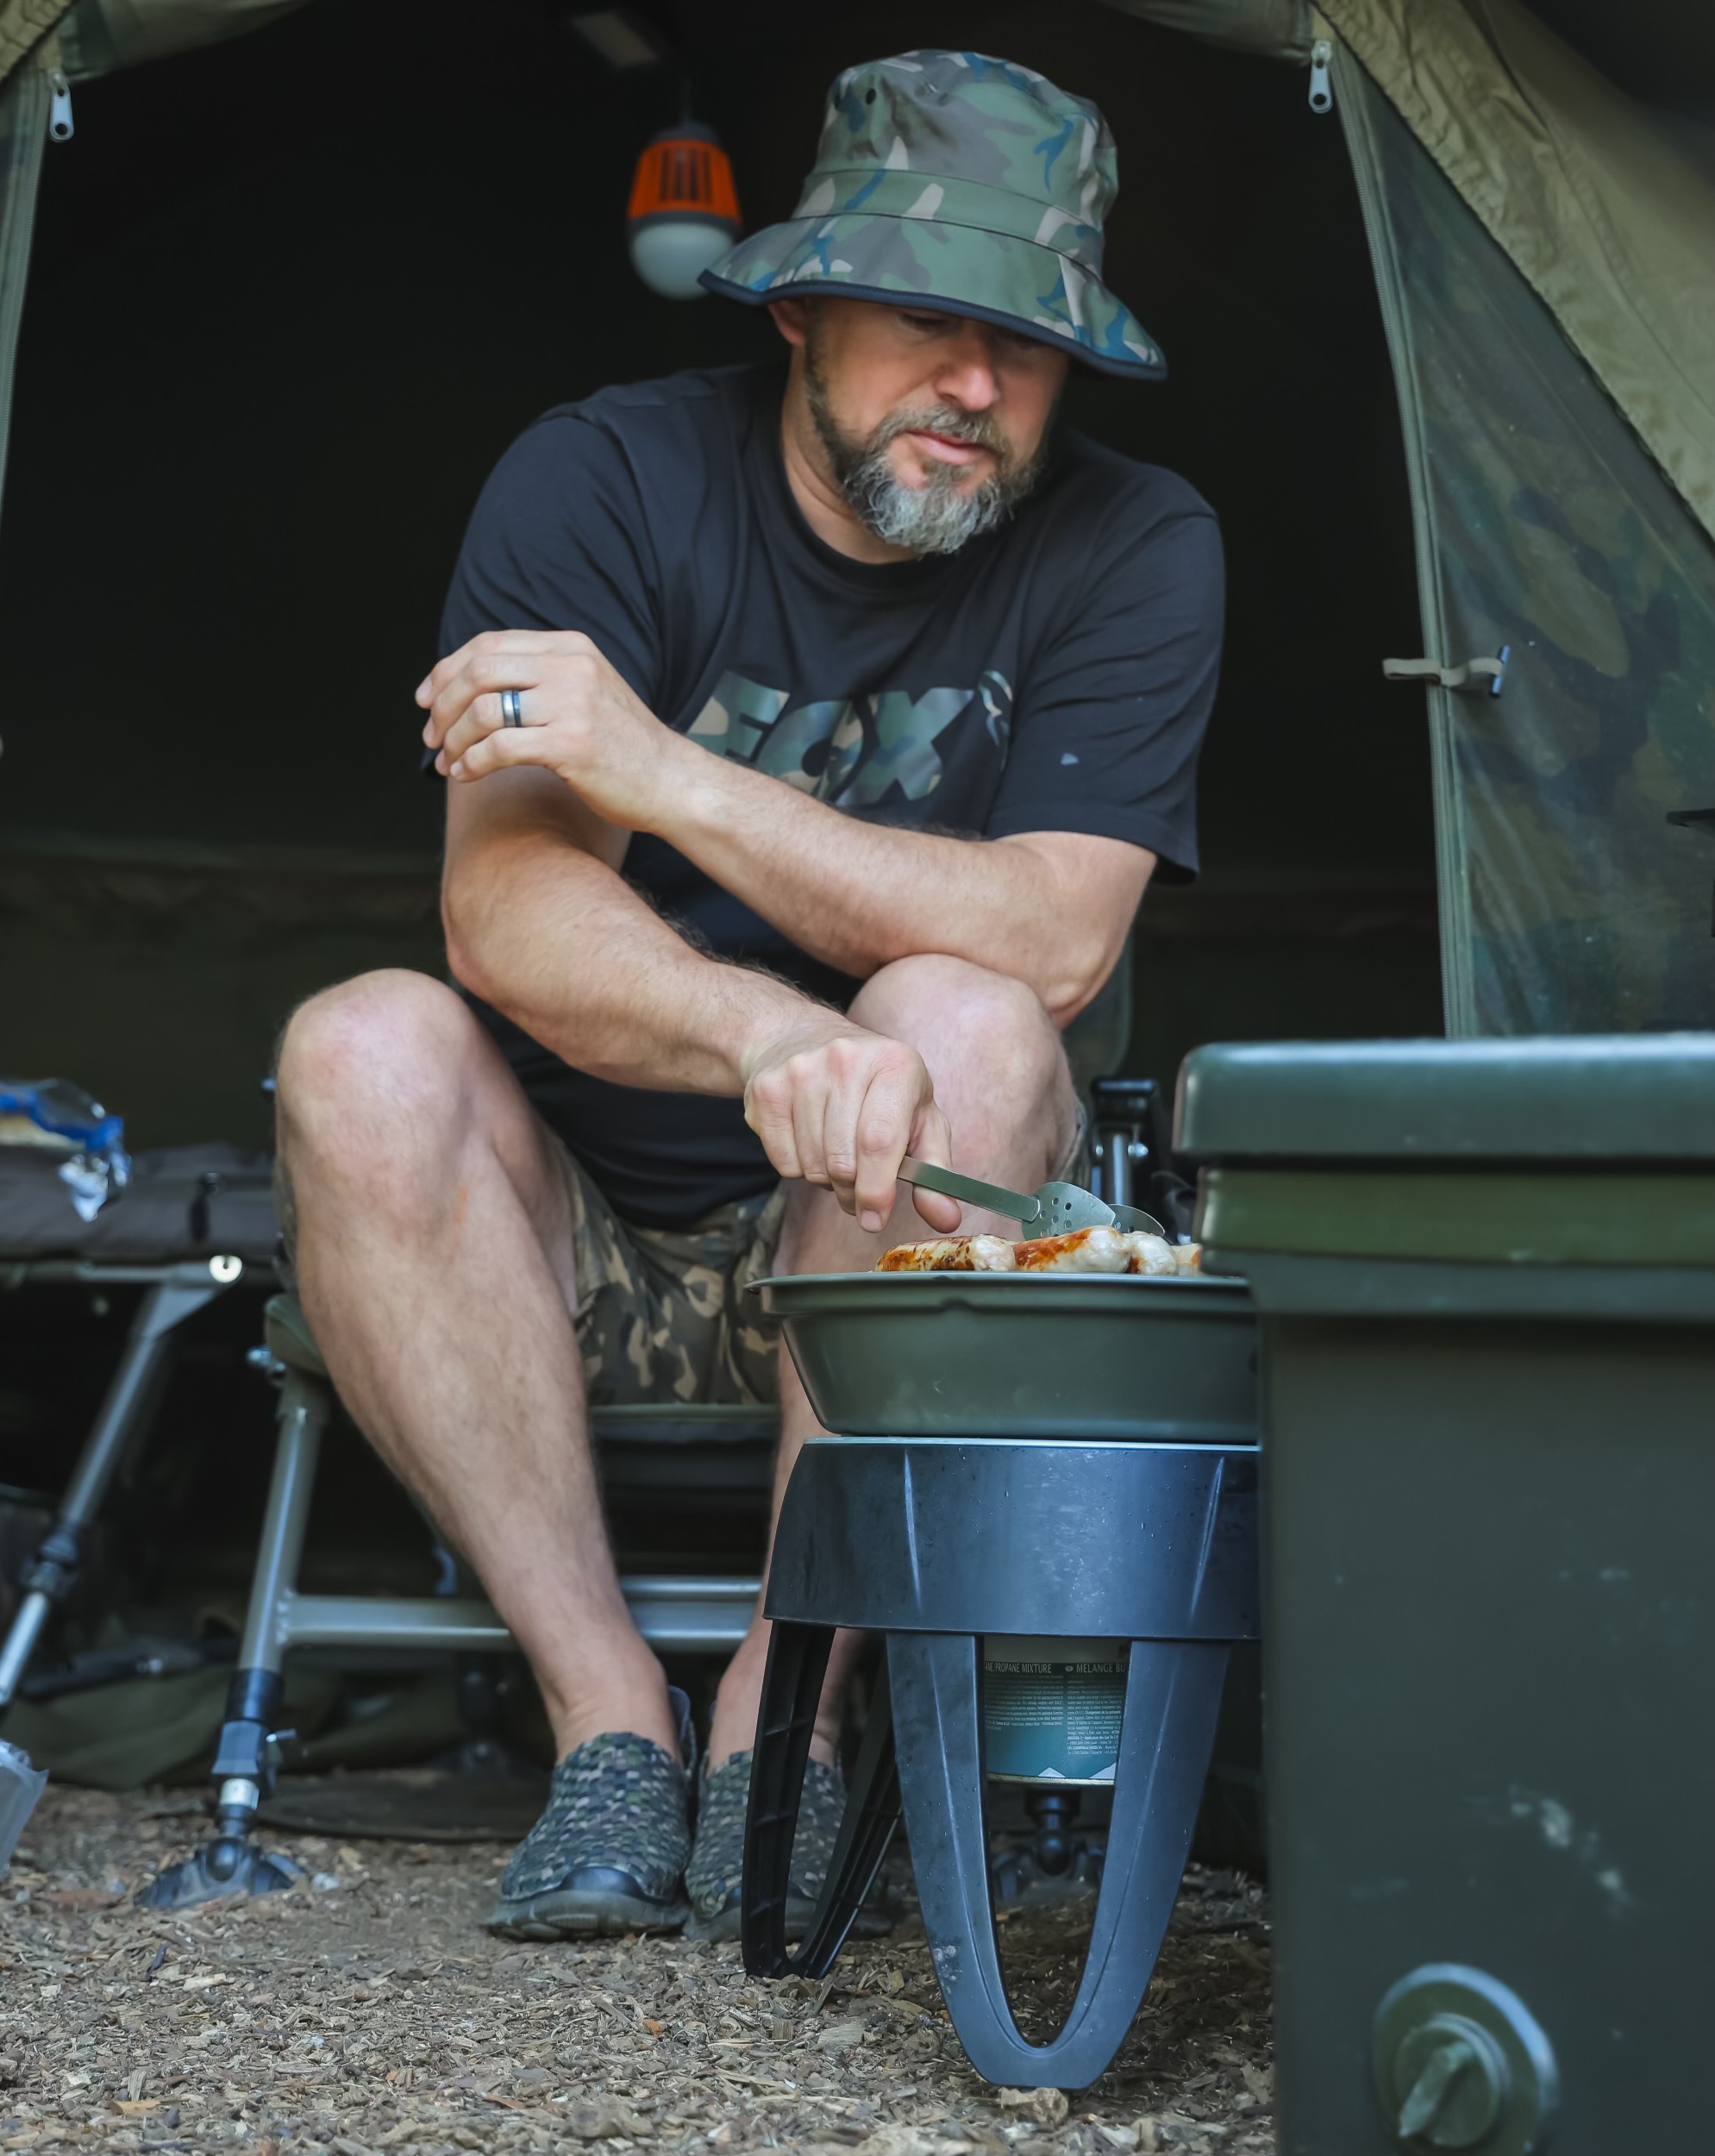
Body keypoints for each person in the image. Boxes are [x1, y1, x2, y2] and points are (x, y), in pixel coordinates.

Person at [274, 49, 1223, 1941]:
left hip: (907, 1234)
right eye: (932, 322)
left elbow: (1055, 938)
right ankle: (609, 1720)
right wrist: (771, 1028)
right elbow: (505, 913)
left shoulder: (1137, 542)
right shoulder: (602, 478)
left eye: (1029, 344)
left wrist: (673, 776)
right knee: (358, 1042)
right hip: (571, 1242)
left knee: (967, 1016)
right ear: (800, 308)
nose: (978, 386)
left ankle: (783, 1716)